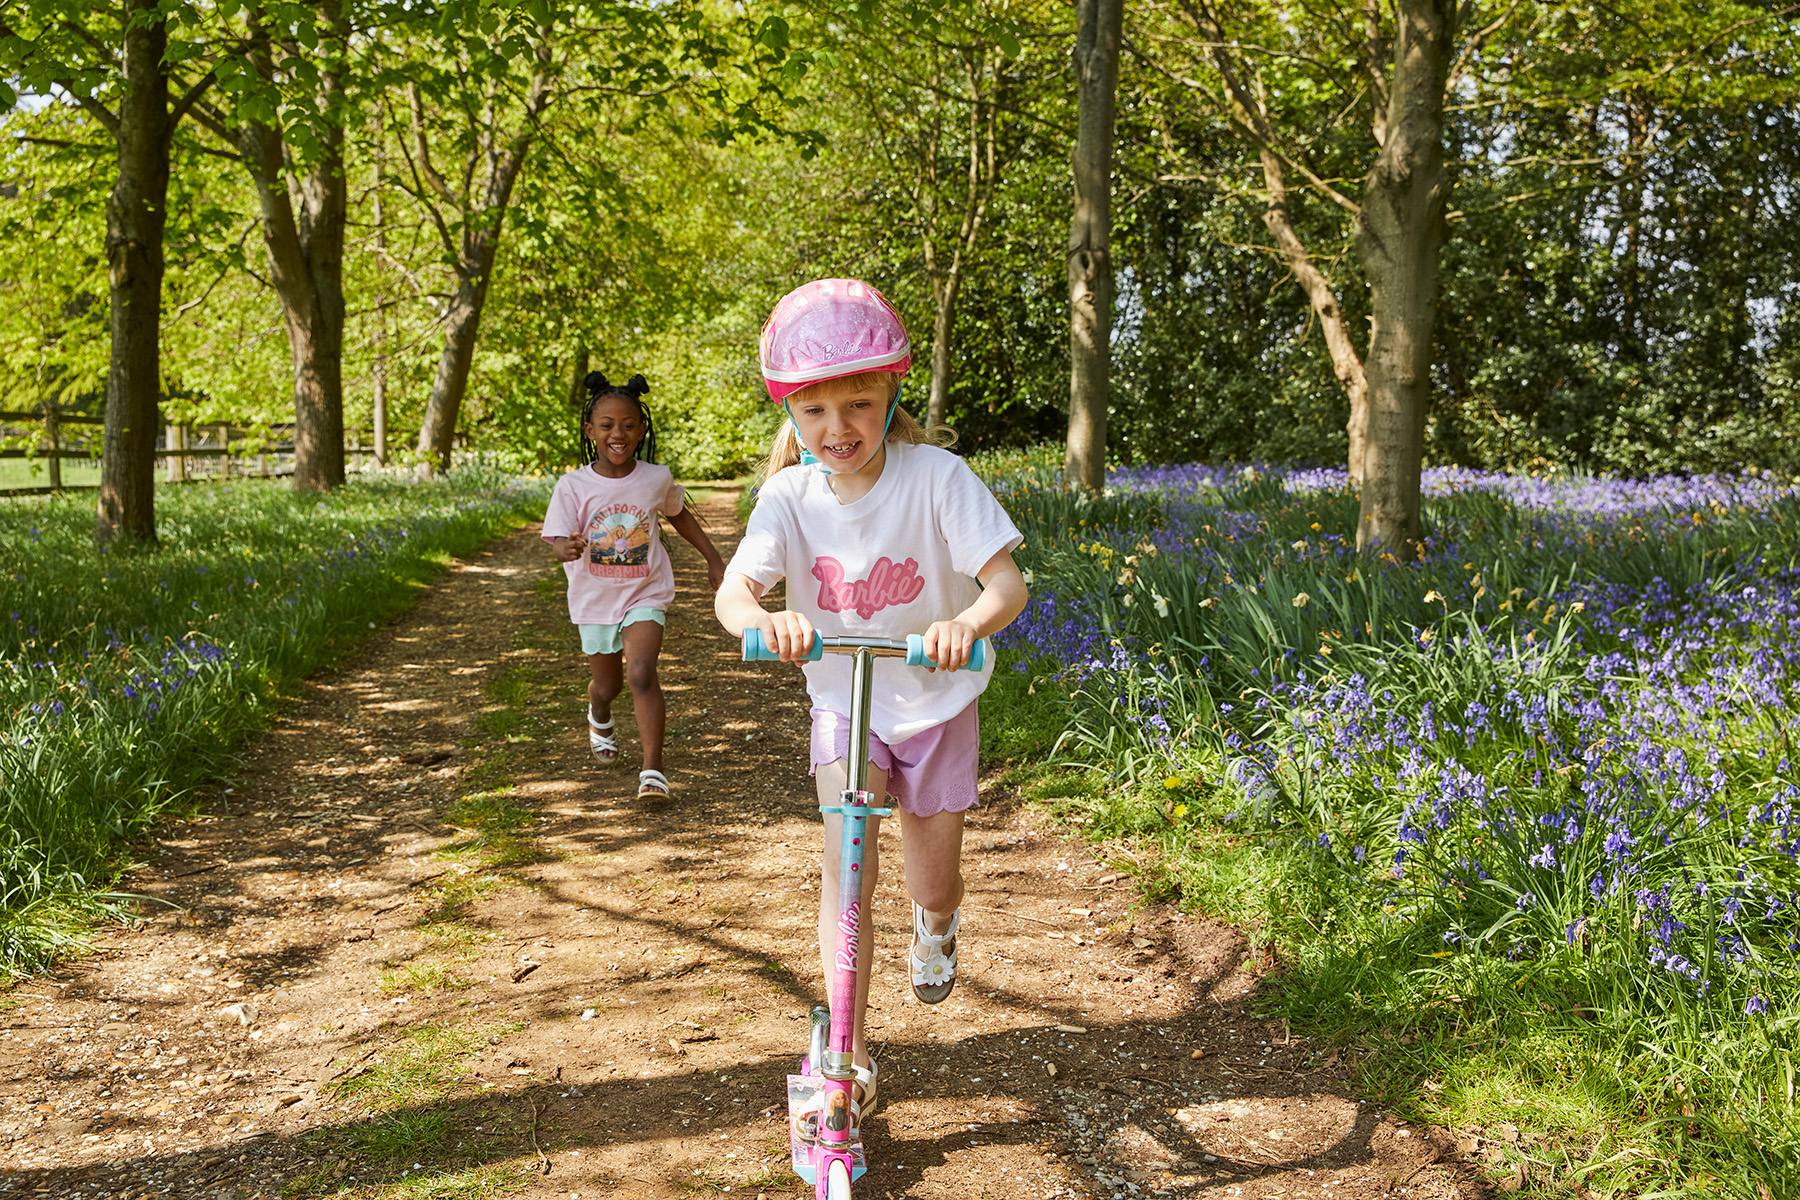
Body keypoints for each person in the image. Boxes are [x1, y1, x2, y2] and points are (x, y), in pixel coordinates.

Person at [713, 279, 1029, 1127]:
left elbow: (1007, 583)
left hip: (933, 701)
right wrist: (765, 621)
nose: (838, 428)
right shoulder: (788, 497)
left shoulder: (938, 478)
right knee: (846, 860)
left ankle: (939, 923)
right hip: (845, 702)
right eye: (814, 411)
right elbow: (734, 593)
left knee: (931, 874)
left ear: (892, 394)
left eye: (858, 403)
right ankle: (846, 1048)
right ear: (790, 412)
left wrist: (965, 621)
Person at [544, 371, 726, 799]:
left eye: (628, 424)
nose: (618, 434)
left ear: (642, 428)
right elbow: (555, 538)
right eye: (606, 425)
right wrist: (563, 549)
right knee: (607, 685)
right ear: (590, 431)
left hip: (645, 593)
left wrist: (714, 558)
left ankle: (653, 772)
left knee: (642, 673)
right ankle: (599, 710)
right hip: (594, 598)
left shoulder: (654, 477)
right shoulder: (572, 485)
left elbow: (678, 514)